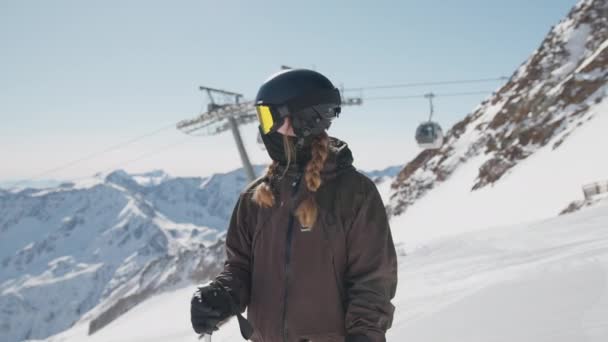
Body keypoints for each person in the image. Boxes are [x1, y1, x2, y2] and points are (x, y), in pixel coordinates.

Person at [190, 68, 398, 342]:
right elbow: (240, 267)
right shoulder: (256, 198)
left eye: (268, 117)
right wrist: (221, 295)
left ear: (304, 121)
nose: (264, 129)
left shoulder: (354, 194)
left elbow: (372, 284)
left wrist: (365, 337)